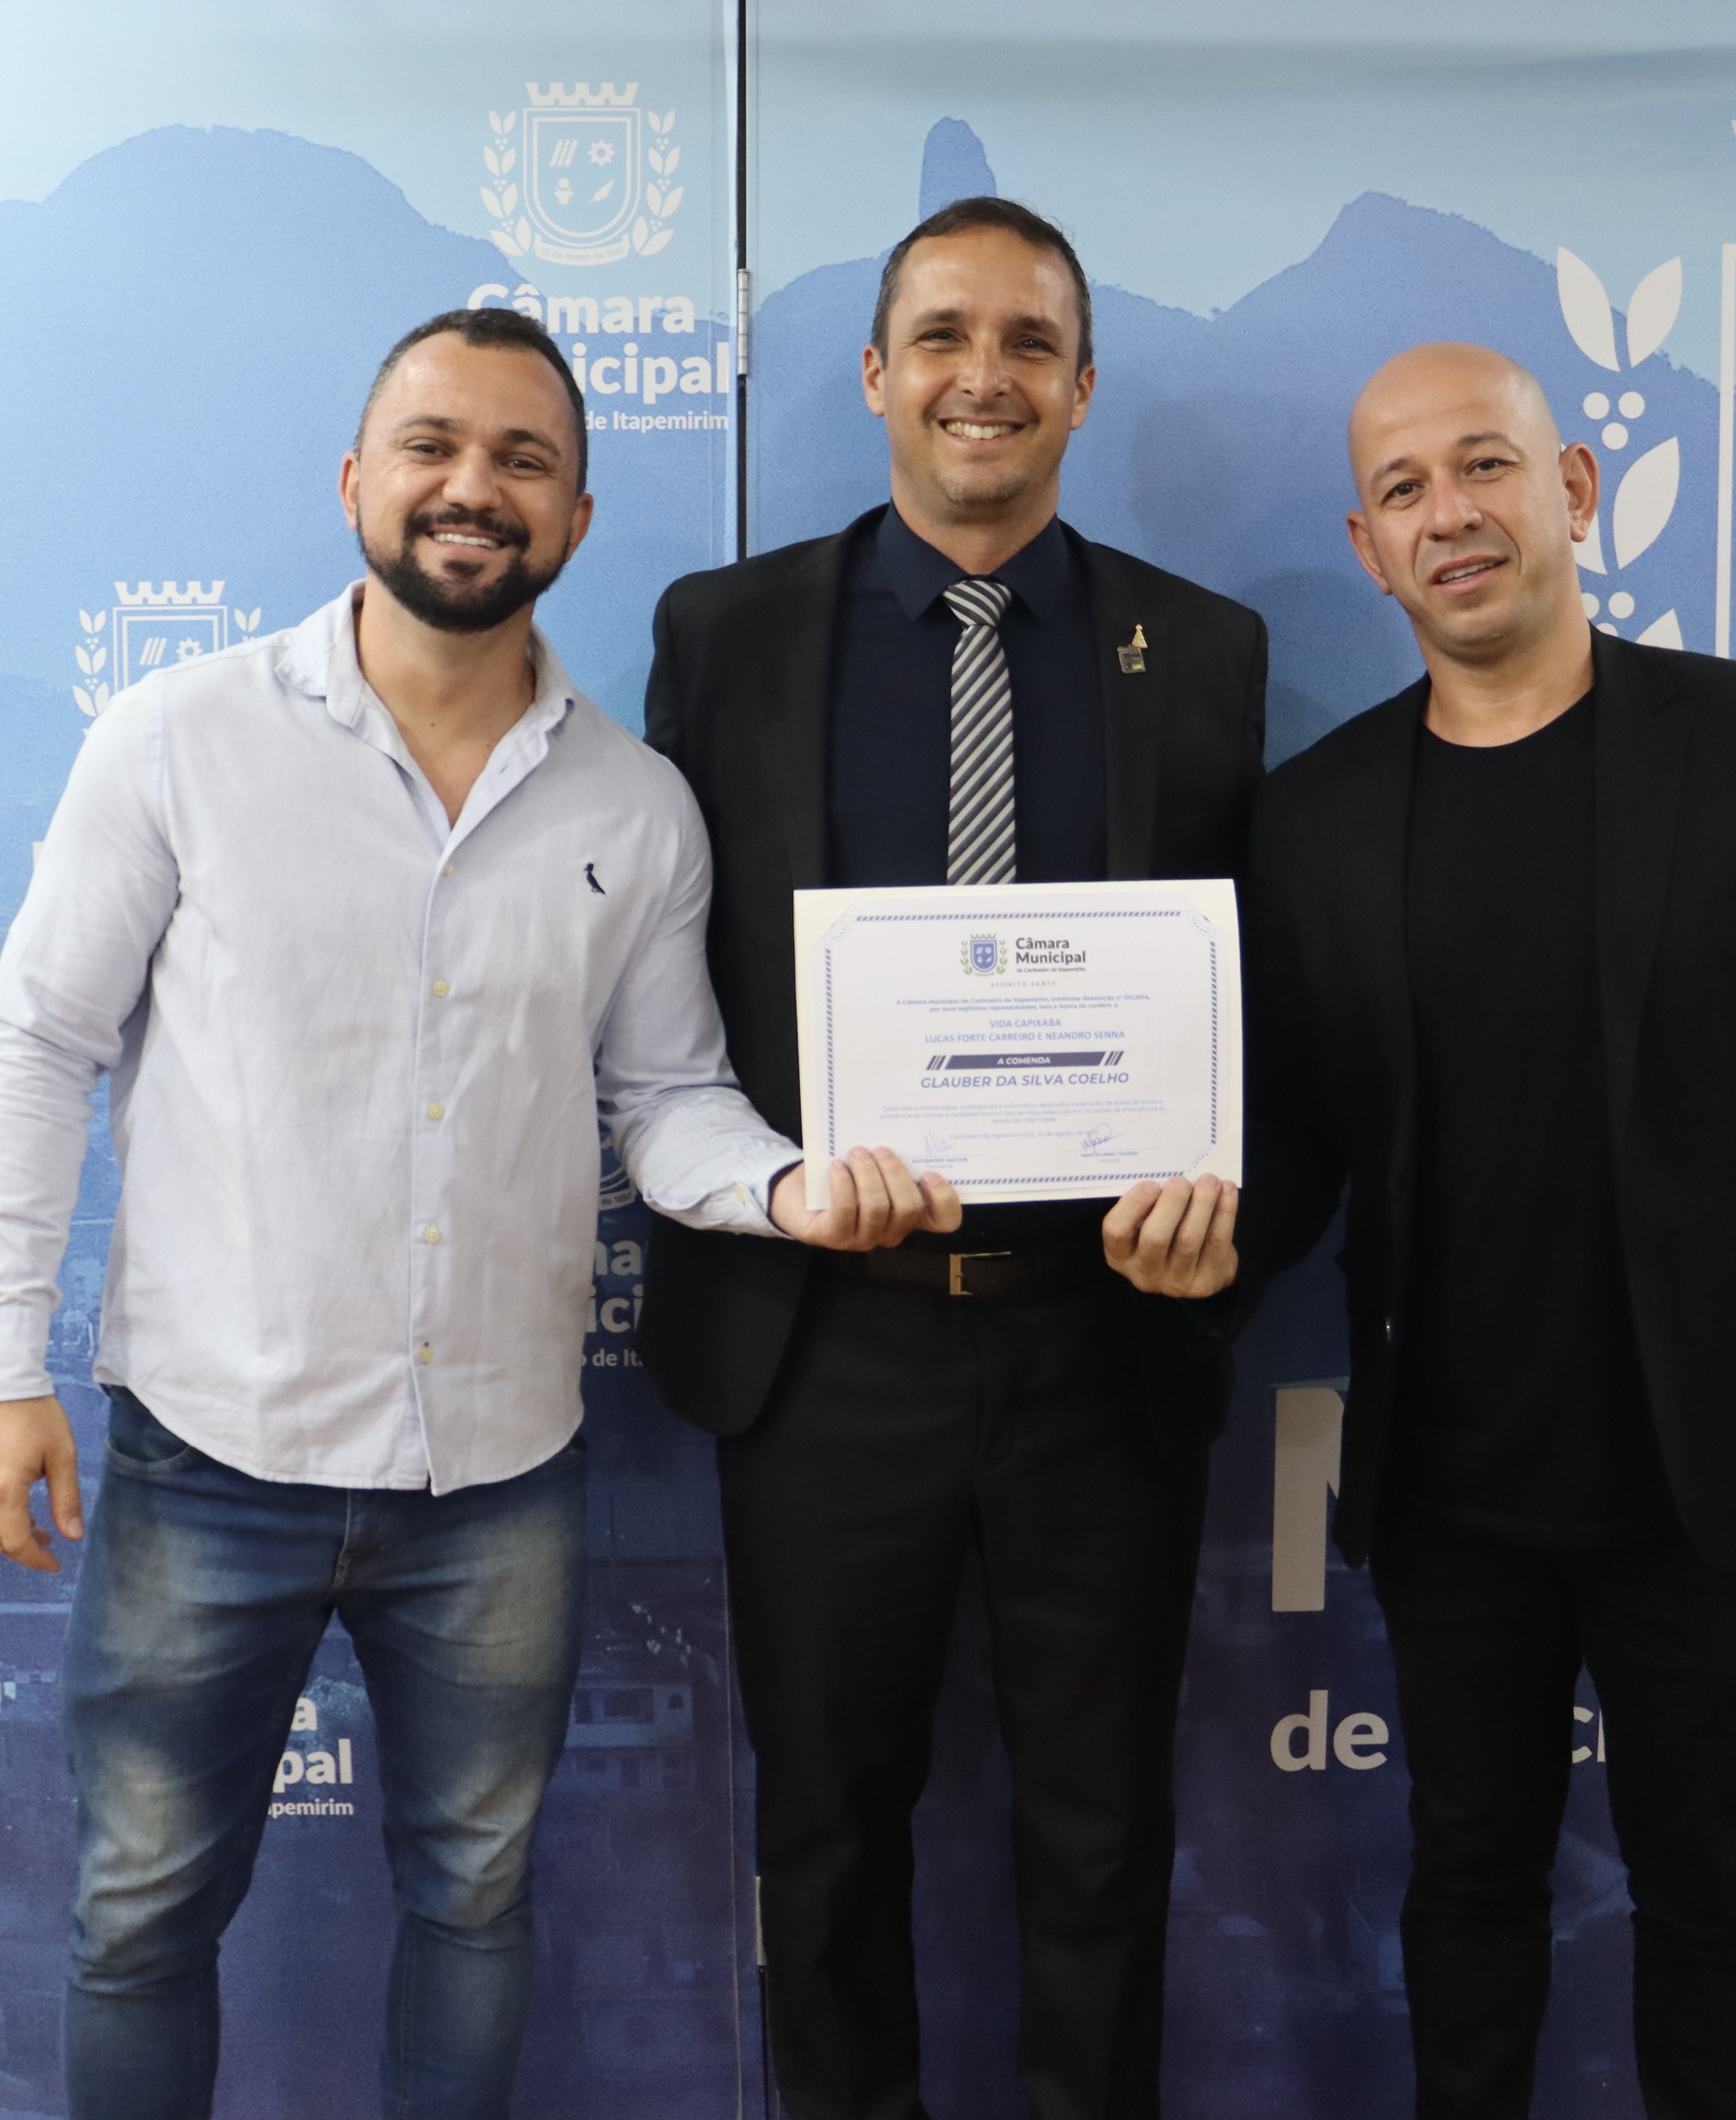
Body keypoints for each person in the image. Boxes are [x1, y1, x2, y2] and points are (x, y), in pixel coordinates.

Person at [0, 306, 945, 2120]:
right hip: (208, 1457)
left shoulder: (638, 805)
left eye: (522, 459)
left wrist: (790, 1185)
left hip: (497, 1476)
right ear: (356, 479)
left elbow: (667, 1103)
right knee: (141, 1914)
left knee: (475, 1904)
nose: (472, 487)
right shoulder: (177, 739)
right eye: (432, 446)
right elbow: (37, 1045)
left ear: (575, 517)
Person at [1236, 343, 1736, 2119]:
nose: (1449, 514)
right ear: (1368, 548)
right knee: (1467, 1881)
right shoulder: (1316, 815)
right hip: (1450, 1486)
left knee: (1709, 1888)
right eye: (1404, 490)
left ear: (1570, 488)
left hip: (1715, 1475)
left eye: (1482, 466)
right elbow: (1300, 1156)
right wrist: (1174, 1234)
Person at [638, 197, 1257, 2120]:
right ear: (874, 375)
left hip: (1100, 1333)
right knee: (825, 1837)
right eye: (941, 337)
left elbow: (1259, 1001)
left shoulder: (1203, 649)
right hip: (827, 1335)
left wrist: (1221, 1203)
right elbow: (659, 995)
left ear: (1082, 385)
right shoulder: (726, 636)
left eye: (1025, 341)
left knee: (1102, 1833)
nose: (981, 376)